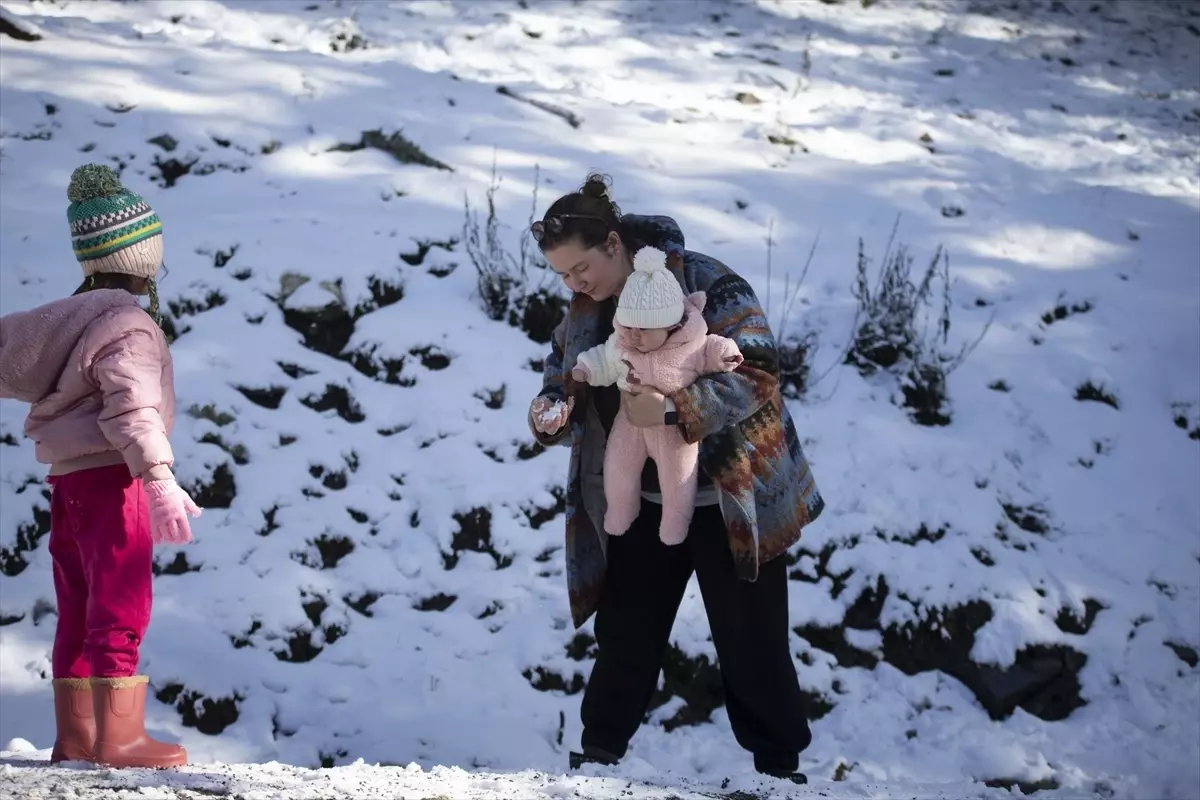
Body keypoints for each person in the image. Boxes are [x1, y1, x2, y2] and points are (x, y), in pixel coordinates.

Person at [527, 173, 825, 784]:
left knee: (753, 641)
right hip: (639, 496)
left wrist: (673, 411)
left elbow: (761, 371)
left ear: (613, 244)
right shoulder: (588, 306)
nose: (574, 284)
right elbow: (567, 370)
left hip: (732, 498)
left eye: (579, 268)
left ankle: (778, 774)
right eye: (562, 276)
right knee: (626, 631)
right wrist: (552, 405)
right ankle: (599, 761)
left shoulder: (705, 282)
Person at [0, 164, 202, 769]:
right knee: (120, 602)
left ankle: (78, 737)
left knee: (79, 602)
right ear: (143, 260)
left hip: (67, 484)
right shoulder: (130, 328)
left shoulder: (63, 322)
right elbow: (133, 408)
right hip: (116, 480)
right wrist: (159, 478)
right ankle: (120, 740)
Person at [571, 245, 744, 545]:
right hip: (630, 423)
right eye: (629, 325)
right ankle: (620, 511)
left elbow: (712, 350)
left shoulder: (690, 344)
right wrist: (586, 368)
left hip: (675, 431)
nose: (634, 334)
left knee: (678, 478)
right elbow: (604, 360)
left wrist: (726, 354)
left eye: (644, 328)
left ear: (671, 324)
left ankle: (675, 524)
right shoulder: (623, 343)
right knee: (617, 468)